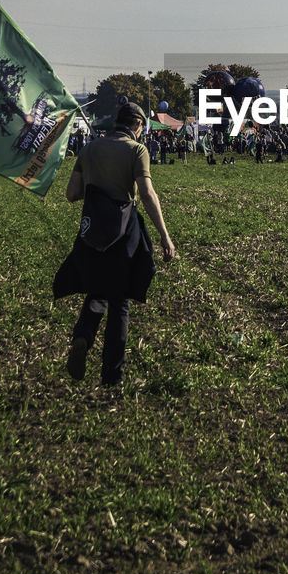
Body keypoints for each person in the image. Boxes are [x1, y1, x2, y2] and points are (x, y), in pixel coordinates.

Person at [55, 101, 177, 386]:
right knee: (120, 301)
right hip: (122, 231)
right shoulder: (137, 150)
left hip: (92, 230)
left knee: (97, 291)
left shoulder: (89, 148)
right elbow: (146, 193)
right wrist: (164, 235)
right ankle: (112, 375)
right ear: (137, 125)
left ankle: (83, 336)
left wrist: (98, 182)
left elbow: (71, 194)